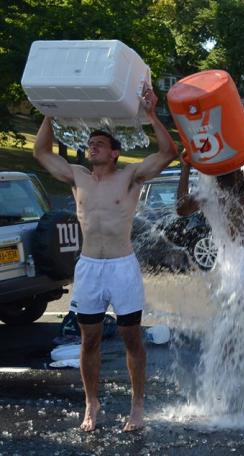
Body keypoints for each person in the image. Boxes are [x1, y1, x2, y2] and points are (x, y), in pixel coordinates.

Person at [33, 86, 177, 432]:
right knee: (89, 339)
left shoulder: (130, 176)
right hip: (89, 268)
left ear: (114, 153)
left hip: (121, 266)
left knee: (131, 338)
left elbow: (168, 152)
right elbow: (40, 151)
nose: (91, 146)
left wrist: (152, 113)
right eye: (90, 142)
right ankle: (91, 403)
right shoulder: (77, 176)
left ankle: (137, 406)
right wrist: (50, 110)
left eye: (99, 143)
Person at [176, 140, 244, 416]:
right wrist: (185, 167)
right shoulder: (210, 192)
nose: (225, 177)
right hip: (234, 256)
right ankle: (223, 386)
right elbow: (181, 208)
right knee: (229, 324)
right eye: (220, 173)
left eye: (230, 171)